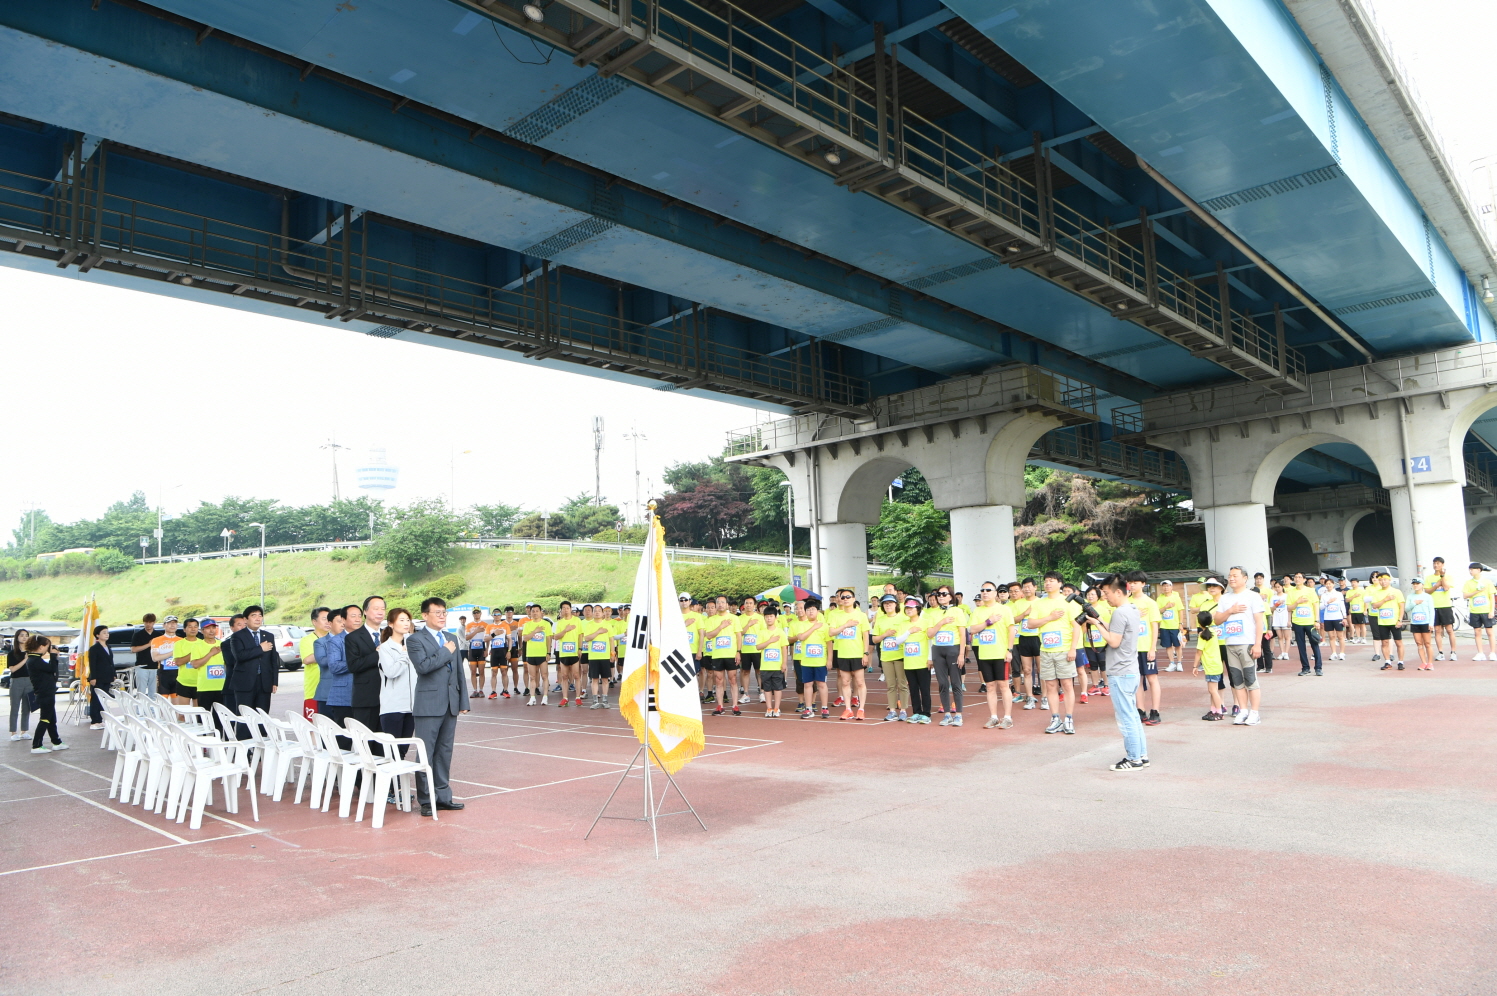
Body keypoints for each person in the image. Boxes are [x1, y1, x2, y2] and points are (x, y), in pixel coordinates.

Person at [409, 597, 468, 816]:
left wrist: (463, 701)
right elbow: (423, 667)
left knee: (444, 752)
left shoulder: (450, 637)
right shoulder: (415, 640)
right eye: (438, 612)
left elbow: (459, 673)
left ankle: (443, 797)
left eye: (444, 612)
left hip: (450, 703)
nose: (442, 616)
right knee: (426, 752)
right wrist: (445, 651)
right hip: (428, 704)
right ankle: (426, 800)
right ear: (425, 615)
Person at [1085, 576, 1146, 770]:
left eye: (1107, 593)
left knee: (1126, 718)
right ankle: (1141, 755)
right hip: (1130, 670)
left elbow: (1113, 641)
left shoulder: (1120, 612)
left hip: (1120, 671)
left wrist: (1096, 625)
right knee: (1133, 716)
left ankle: (1134, 758)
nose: (1105, 597)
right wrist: (1101, 620)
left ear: (1118, 592)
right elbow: (1118, 632)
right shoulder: (1132, 609)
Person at [1212, 567, 1264, 726]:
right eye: (1230, 576)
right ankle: (1243, 710)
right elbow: (1217, 620)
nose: (1231, 578)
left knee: (1250, 679)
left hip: (1247, 643)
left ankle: (1254, 712)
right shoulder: (1225, 598)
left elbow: (1259, 622)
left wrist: (1257, 644)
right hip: (1230, 643)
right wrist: (1231, 610)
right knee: (1236, 680)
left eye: (1235, 575)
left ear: (1245, 578)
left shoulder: (1253, 596)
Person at [968, 581, 1014, 729]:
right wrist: (989, 621)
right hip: (985, 654)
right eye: (982, 590)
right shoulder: (977, 611)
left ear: (995, 593)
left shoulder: (1004, 610)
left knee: (1004, 685)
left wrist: (1009, 650)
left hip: (1000, 653)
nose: (985, 592)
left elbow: (1011, 630)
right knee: (990, 686)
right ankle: (993, 717)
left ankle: (1007, 717)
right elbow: (972, 629)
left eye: (988, 590)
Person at [923, 586, 968, 726]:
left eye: (944, 594)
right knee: (942, 683)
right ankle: (947, 714)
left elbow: (962, 635)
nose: (941, 596)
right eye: (938, 594)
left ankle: (959, 714)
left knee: (955, 683)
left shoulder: (958, 611)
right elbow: (929, 634)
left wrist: (962, 654)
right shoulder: (932, 614)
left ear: (950, 596)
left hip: (953, 650)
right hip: (938, 650)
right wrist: (941, 622)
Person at [378, 607, 417, 757]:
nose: (406, 623)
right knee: (391, 751)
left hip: (412, 706)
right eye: (401, 620)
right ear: (391, 624)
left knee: (402, 751)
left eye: (408, 620)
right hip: (393, 706)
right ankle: (392, 781)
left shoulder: (413, 645)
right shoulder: (385, 648)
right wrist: (404, 654)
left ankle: (398, 781)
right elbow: (391, 672)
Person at [227, 606, 279, 716]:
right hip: (244, 682)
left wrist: (274, 681)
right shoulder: (237, 636)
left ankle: (262, 734)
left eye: (260, 616)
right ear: (246, 620)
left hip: (264, 682)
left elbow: (273, 660)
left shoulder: (268, 636)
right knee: (245, 717)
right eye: (253, 616)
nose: (258, 618)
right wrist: (260, 649)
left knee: (263, 715)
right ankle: (243, 734)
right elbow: (240, 656)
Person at [1125, 572, 1162, 725]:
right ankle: (1140, 710)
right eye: (1130, 582)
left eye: (1135, 582)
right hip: (1131, 649)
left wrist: (1152, 648)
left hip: (1146, 647)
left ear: (1143, 584)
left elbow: (1154, 627)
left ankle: (1155, 711)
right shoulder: (1126, 602)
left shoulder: (1150, 603)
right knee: (1136, 680)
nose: (1132, 585)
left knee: (1152, 678)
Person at [828, 588, 869, 720]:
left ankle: (861, 709)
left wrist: (865, 653)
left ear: (853, 599)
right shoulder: (835, 615)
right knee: (845, 682)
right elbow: (831, 632)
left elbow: (866, 635)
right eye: (843, 597)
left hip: (857, 653)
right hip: (842, 653)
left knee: (860, 682)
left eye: (848, 597)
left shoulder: (861, 615)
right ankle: (848, 709)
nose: (845, 599)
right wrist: (846, 625)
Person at [346, 596, 385, 734]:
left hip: (388, 698)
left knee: (384, 745)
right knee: (365, 743)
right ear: (366, 612)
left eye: (383, 609)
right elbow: (353, 666)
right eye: (376, 609)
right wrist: (377, 653)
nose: (380, 612)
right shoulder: (353, 637)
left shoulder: (389, 635)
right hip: (366, 699)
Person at [26, 636, 67, 754]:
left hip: (46, 692)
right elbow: (52, 668)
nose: (48, 649)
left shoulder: (35, 659)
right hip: (44, 693)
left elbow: (52, 673)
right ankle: (36, 745)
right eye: (47, 647)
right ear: (41, 647)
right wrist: (53, 656)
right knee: (45, 719)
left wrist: (54, 656)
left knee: (51, 718)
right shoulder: (35, 660)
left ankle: (56, 742)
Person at [315, 609, 353, 731]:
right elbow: (323, 661)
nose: (342, 624)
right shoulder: (320, 642)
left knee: (346, 731)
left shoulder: (353, 640)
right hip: (326, 692)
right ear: (330, 623)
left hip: (347, 694)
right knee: (327, 732)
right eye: (339, 621)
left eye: (344, 621)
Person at [872, 594, 908, 721]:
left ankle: (903, 710)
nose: (888, 605)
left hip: (900, 655)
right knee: (891, 685)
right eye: (885, 603)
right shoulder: (880, 620)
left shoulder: (903, 618)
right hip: (886, 656)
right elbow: (875, 639)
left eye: (890, 603)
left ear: (896, 605)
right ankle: (892, 710)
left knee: (902, 684)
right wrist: (885, 634)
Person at [898, 596, 933, 724]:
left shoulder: (926, 622)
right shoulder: (903, 624)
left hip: (922, 662)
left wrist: (930, 658)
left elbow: (930, 641)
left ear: (918, 609)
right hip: (909, 663)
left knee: (924, 689)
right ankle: (916, 712)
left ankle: (926, 713)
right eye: (906, 608)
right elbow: (897, 641)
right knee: (913, 689)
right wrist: (909, 632)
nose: (908, 610)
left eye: (911, 608)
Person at [794, 598, 830, 719]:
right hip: (806, 661)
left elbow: (829, 643)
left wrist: (829, 660)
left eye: (813, 609)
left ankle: (824, 708)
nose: (810, 612)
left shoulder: (825, 626)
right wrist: (814, 627)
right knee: (807, 684)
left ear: (818, 611)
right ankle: (808, 708)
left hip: (820, 661)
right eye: (808, 610)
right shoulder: (802, 625)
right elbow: (802, 637)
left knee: (822, 684)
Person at [1366, 570, 1407, 670]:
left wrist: (1400, 620)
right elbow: (1374, 605)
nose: (1383, 582)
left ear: (1389, 580)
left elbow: (1401, 606)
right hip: (1382, 622)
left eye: (1385, 580)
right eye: (1380, 580)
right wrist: (1385, 599)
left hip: (1394, 621)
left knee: (1398, 642)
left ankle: (1400, 662)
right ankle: (1387, 661)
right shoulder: (1376, 593)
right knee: (1384, 642)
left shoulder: (1397, 592)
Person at [1192, 610, 1226, 720]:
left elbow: (1199, 652)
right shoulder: (1213, 631)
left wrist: (1195, 666)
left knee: (1212, 690)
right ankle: (1213, 710)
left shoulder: (1203, 635)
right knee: (1213, 690)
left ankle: (1219, 712)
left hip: (1211, 666)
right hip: (1216, 664)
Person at [757, 605, 788, 717]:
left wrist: (784, 663)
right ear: (764, 618)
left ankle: (776, 708)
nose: (769, 618)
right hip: (765, 666)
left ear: (776, 617)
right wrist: (770, 640)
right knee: (767, 688)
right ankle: (769, 708)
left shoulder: (780, 632)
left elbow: (784, 648)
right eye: (767, 616)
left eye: (771, 616)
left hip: (777, 666)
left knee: (778, 687)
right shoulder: (761, 632)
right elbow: (758, 647)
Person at [194, 619, 227, 726]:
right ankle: (204, 741)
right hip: (205, 688)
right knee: (204, 719)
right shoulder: (197, 646)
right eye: (208, 628)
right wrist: (210, 653)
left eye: (213, 628)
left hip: (221, 688)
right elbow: (195, 664)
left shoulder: (223, 644)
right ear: (202, 631)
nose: (211, 631)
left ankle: (220, 740)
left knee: (221, 719)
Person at [519, 603, 553, 706]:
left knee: (544, 676)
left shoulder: (546, 624)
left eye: (536, 611)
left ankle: (545, 697)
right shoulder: (528, 625)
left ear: (540, 612)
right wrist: (535, 631)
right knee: (532, 677)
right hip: (531, 654)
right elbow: (525, 638)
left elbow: (548, 639)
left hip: (542, 654)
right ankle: (532, 697)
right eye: (532, 611)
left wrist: (548, 652)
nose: (534, 613)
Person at [583, 604, 615, 709]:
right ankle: (595, 701)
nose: (597, 612)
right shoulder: (589, 625)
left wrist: (612, 653)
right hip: (593, 656)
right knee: (594, 679)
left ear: (602, 613)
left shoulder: (608, 625)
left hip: (605, 656)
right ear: (592, 613)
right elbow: (587, 638)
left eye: (599, 611)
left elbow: (611, 640)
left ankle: (605, 700)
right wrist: (598, 632)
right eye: (595, 610)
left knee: (605, 679)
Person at [1424, 557, 1457, 661]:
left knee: (1449, 629)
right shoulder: (1429, 578)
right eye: (1434, 563)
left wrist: (1442, 577)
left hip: (1445, 606)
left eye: (1438, 563)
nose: (1436, 565)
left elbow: (1446, 588)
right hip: (1434, 607)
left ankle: (1453, 652)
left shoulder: (1448, 577)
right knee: (1437, 630)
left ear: (1442, 564)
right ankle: (1441, 652)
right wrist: (1436, 585)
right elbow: (1427, 591)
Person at [737, 596, 766, 707]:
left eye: (750, 603)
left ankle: (762, 692)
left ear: (754, 605)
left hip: (757, 649)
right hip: (745, 649)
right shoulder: (740, 618)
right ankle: (746, 694)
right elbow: (740, 633)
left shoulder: (760, 618)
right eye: (746, 603)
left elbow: (764, 633)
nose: (748, 605)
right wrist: (748, 624)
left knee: (759, 671)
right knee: (745, 672)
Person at [302, 607, 330, 719]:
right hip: (313, 691)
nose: (328, 622)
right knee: (312, 725)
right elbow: (307, 659)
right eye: (324, 619)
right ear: (314, 621)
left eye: (330, 619)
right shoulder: (307, 640)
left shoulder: (336, 638)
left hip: (331, 691)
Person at [86, 624, 115, 729]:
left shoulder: (108, 647)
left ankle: (101, 718)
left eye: (107, 632)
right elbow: (92, 663)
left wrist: (114, 674)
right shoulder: (94, 648)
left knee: (103, 697)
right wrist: (92, 677)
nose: (106, 634)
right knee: (96, 698)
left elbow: (111, 662)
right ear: (97, 635)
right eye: (104, 632)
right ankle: (95, 720)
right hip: (97, 677)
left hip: (107, 676)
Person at [1463, 564, 1495, 661]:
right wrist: (1477, 591)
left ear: (1479, 570)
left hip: (1486, 611)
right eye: (1470, 569)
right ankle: (1480, 653)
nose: (1471, 571)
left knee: (1489, 632)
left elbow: (1492, 597)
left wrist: (1491, 610)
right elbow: (1465, 595)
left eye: (1472, 569)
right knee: (1477, 632)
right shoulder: (1468, 583)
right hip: (1474, 611)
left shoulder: (1487, 582)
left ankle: (1493, 653)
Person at [172, 617, 204, 706]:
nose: (193, 629)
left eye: (195, 626)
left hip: (200, 682)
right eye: (190, 627)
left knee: (199, 714)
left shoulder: (203, 643)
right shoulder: (179, 644)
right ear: (184, 629)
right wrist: (194, 654)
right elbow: (178, 662)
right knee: (182, 714)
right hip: (184, 682)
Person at [7, 628, 32, 741]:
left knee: (27, 707)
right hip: (16, 681)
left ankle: (24, 731)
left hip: (29, 681)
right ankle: (13, 732)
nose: (24, 637)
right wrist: (24, 660)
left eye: (26, 635)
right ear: (17, 637)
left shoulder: (31, 652)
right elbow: (13, 669)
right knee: (15, 707)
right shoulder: (12, 653)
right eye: (22, 635)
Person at [488, 606, 518, 699]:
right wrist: (494, 634)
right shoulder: (489, 626)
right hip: (494, 651)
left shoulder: (505, 626)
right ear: (492, 616)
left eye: (498, 614)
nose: (496, 616)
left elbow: (509, 639)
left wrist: (509, 651)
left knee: (504, 671)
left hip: (503, 650)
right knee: (494, 672)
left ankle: (505, 690)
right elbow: (485, 639)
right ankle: (493, 691)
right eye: (495, 614)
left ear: (501, 615)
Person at [1155, 579, 1185, 671]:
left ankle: (1179, 663)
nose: (1166, 588)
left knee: (1178, 645)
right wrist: (1166, 607)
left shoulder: (1176, 597)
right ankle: (1172, 663)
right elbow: (1157, 611)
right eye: (1164, 586)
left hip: (1175, 626)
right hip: (1164, 626)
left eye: (1167, 586)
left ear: (1171, 587)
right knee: (1168, 645)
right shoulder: (1159, 598)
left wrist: (1180, 623)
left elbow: (1180, 611)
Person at [1407, 578, 1435, 669]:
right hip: (1415, 622)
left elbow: (1431, 610)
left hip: (1425, 622)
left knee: (1427, 643)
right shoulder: (1410, 596)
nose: (1415, 585)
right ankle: (1423, 662)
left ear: (1422, 585)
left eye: (1417, 584)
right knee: (1419, 643)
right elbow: (1406, 609)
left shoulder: (1427, 596)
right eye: (1414, 584)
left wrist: (1431, 623)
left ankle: (1430, 663)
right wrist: (1414, 603)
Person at [151, 615, 182, 699]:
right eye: (169, 623)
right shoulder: (156, 640)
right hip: (163, 674)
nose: (172, 625)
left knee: (178, 705)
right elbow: (155, 658)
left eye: (175, 623)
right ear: (164, 625)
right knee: (162, 703)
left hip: (178, 673)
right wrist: (173, 652)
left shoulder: (181, 641)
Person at [130, 613, 161, 696]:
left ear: (154, 622)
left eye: (150, 622)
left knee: (153, 692)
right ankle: (140, 708)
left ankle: (152, 708)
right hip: (141, 666)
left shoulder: (159, 635)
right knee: (141, 692)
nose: (148, 624)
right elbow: (133, 649)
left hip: (155, 667)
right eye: (146, 622)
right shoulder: (138, 634)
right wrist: (148, 644)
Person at [1319, 578, 1347, 662]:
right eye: (1327, 584)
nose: (1328, 585)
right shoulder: (1324, 595)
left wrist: (1344, 617)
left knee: (1340, 636)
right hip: (1328, 618)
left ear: (1333, 584)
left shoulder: (1338, 594)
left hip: (1338, 617)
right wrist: (1328, 602)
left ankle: (1342, 653)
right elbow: (1321, 607)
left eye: (1330, 584)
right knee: (1331, 636)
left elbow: (1342, 606)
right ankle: (1334, 653)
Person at [464, 608, 488, 699]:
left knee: (481, 671)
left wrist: (487, 649)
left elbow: (487, 638)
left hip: (482, 648)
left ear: (481, 614)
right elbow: (467, 637)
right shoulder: (469, 625)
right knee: (473, 671)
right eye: (475, 613)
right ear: (472, 614)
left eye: (478, 612)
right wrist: (476, 631)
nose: (476, 614)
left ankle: (481, 690)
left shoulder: (485, 625)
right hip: (472, 649)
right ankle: (475, 690)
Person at [1269, 580, 1290, 660]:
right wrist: (1277, 604)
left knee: (1287, 637)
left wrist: (1289, 620)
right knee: (1280, 637)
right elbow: (1271, 609)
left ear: (1282, 587)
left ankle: (1286, 653)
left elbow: (1289, 609)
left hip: (1285, 618)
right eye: (1276, 587)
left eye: (1279, 587)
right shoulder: (1273, 597)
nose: (1277, 589)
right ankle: (1282, 652)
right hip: (1276, 619)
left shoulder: (1286, 596)